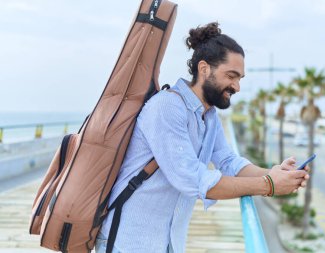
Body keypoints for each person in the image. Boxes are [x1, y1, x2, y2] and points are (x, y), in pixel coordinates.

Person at [96, 22, 310, 253]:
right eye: (231, 76)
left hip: (167, 243)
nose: (237, 86)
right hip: (128, 242)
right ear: (204, 69)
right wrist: (268, 185)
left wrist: (273, 173)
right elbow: (192, 179)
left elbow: (228, 161)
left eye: (240, 78)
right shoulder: (167, 107)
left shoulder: (209, 116)